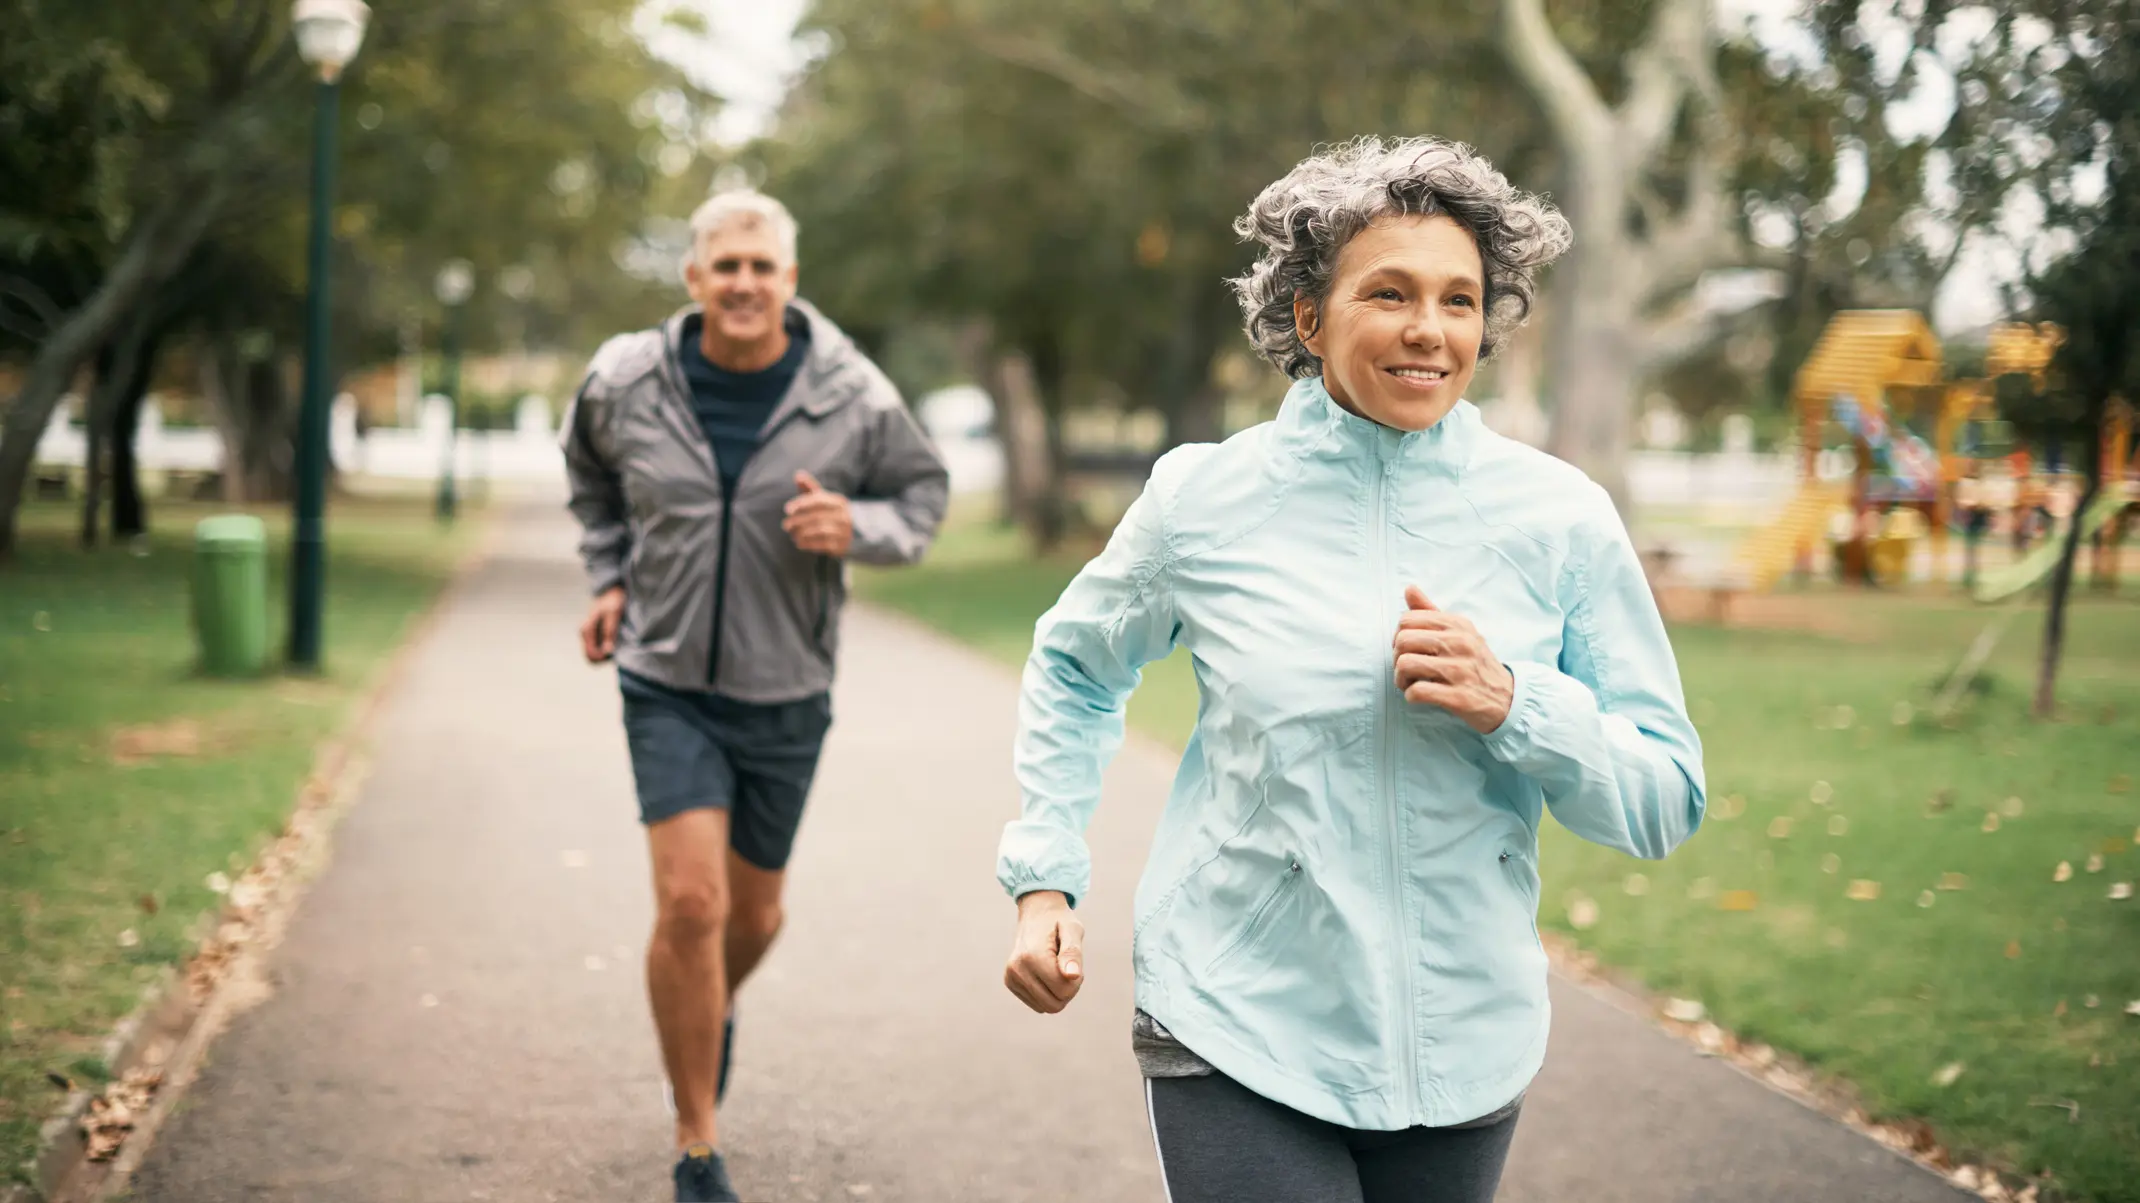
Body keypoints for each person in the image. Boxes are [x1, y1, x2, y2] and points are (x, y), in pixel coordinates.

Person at [998, 137, 1705, 1203]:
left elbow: (1664, 799)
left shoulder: (1559, 517)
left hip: (1466, 1041)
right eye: (1389, 292)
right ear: (1306, 317)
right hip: (1235, 1015)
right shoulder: (1205, 502)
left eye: (1459, 301)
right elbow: (1074, 663)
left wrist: (1519, 704)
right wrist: (1044, 874)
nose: (1429, 330)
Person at [563, 188, 949, 1203]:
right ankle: (698, 1142)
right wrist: (607, 575)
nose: (742, 283)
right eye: (724, 265)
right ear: (692, 277)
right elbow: (592, 479)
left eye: (761, 267)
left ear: (789, 279)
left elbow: (921, 497)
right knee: (691, 903)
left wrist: (855, 530)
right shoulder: (624, 379)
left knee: (756, 916)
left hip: (789, 686)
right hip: (665, 677)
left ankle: (701, 1010)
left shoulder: (851, 393)